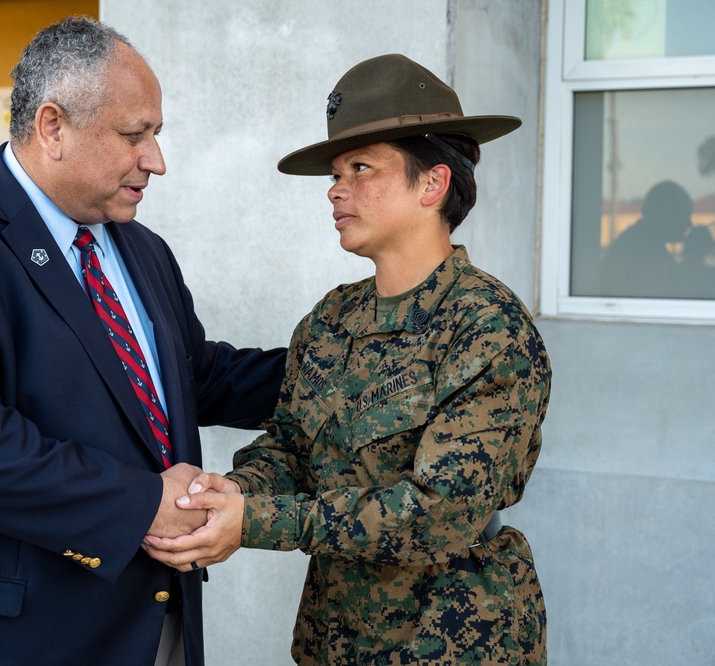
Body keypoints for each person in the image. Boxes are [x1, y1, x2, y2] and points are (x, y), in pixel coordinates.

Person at [0, 16, 285, 666]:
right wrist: (143, 504)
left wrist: (343, 364)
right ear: (52, 127)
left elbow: (194, 378)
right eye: (135, 135)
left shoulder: (143, 249)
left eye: (156, 134)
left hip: (141, 630)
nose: (156, 160)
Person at [143, 54, 552, 665]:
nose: (337, 189)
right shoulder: (333, 319)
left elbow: (442, 513)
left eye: (362, 168)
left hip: (454, 635)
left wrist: (254, 520)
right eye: (336, 172)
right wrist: (225, 495)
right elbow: (290, 447)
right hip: (336, 638)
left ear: (433, 184)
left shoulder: (488, 326)